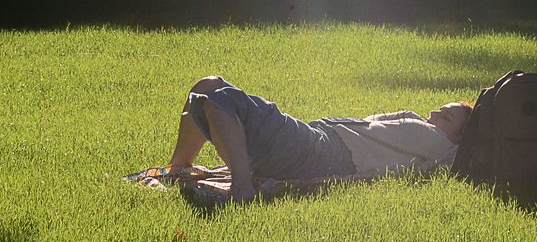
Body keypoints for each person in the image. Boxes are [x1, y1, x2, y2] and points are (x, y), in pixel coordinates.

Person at [162, 76, 473, 203]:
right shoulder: (421, 129)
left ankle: (241, 186)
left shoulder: (445, 149)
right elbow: (372, 122)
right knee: (208, 85)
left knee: (221, 101)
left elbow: (473, 152)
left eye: (445, 116)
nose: (433, 113)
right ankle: (179, 166)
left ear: (459, 136)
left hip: (324, 154)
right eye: (439, 108)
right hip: (318, 137)